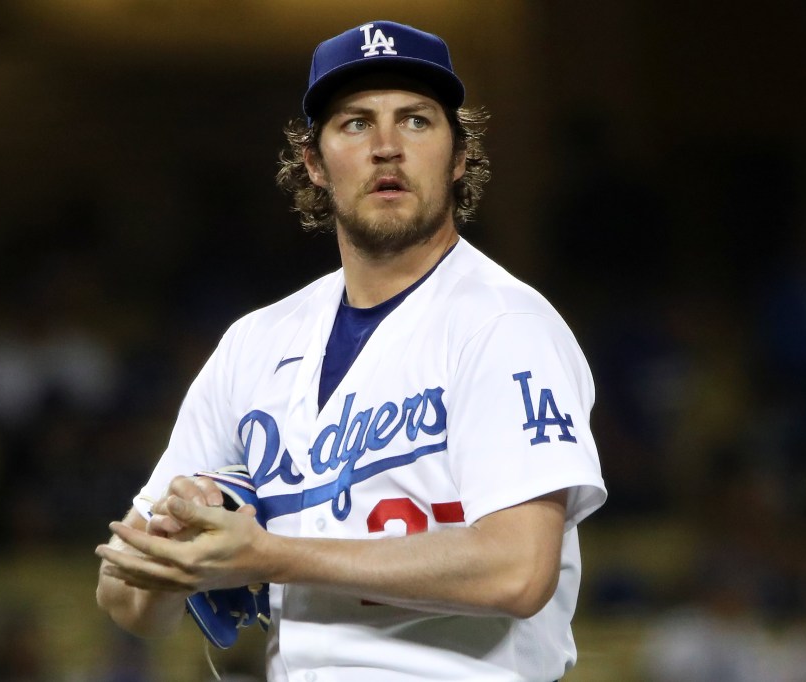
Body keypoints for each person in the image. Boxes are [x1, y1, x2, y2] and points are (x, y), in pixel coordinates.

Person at [94, 19, 606, 682]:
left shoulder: (504, 325)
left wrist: (268, 556)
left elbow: (519, 570)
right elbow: (125, 597)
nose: (387, 147)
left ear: (458, 156)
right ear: (313, 161)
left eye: (417, 121)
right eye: (356, 123)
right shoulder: (256, 343)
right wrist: (176, 554)